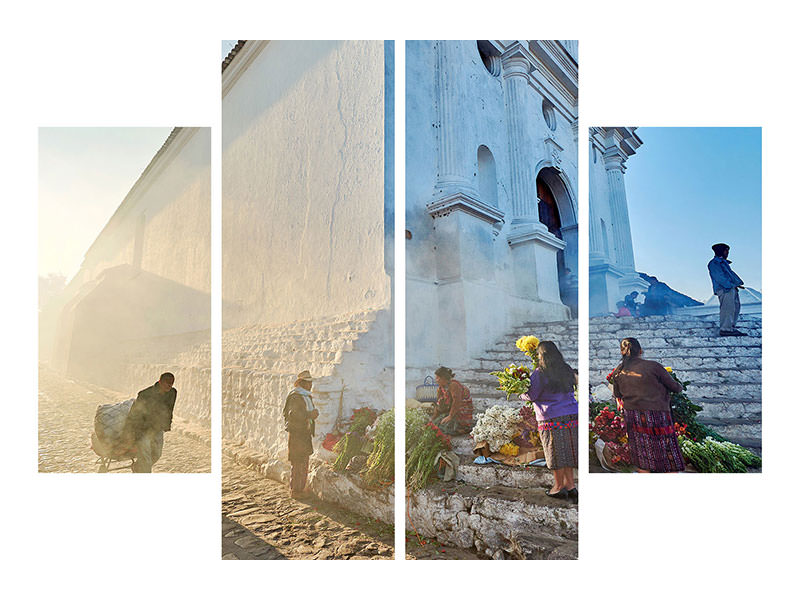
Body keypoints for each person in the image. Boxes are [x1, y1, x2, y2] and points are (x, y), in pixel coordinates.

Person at [609, 338, 685, 473]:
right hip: (657, 415)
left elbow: (617, 394)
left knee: (642, 454)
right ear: (640, 351)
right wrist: (680, 386)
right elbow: (675, 387)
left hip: (633, 416)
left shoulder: (618, 371)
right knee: (667, 453)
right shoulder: (653, 366)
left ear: (622, 352)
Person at [519, 341, 579, 501]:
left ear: (542, 356)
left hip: (552, 417)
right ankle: (571, 485)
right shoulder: (566, 369)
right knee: (568, 450)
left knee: (555, 452)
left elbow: (532, 395)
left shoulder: (540, 373)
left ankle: (558, 487)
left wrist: (521, 392)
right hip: (572, 415)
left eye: (538, 354)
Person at [123, 372, 177, 473]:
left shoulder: (172, 393)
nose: (169, 385)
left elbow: (170, 408)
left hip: (157, 428)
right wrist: (129, 433)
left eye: (172, 383)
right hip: (142, 430)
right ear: (160, 381)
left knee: (156, 454)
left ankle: (138, 467)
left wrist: (166, 424)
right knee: (146, 459)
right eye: (167, 383)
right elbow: (134, 413)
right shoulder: (145, 394)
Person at [282, 370, 319, 498]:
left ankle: (300, 489)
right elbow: (294, 414)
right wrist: (310, 414)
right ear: (302, 383)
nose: (311, 385)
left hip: (303, 433)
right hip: (298, 434)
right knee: (298, 462)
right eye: (308, 383)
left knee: (303, 461)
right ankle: (296, 491)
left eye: (311, 382)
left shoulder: (305, 396)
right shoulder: (296, 397)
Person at [708, 243, 746, 336]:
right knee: (727, 308)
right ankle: (725, 329)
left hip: (731, 288)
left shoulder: (723, 263)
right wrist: (730, 285)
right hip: (724, 289)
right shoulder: (714, 263)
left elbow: (730, 275)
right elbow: (719, 277)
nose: (727, 253)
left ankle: (731, 327)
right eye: (726, 250)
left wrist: (737, 284)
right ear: (721, 251)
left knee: (735, 307)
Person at [432, 367, 473, 435]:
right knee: (435, 424)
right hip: (452, 411)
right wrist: (432, 419)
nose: (436, 380)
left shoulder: (454, 385)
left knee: (445, 427)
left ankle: (463, 429)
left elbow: (456, 402)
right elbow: (439, 406)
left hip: (461, 413)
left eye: (437, 378)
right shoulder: (440, 389)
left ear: (443, 378)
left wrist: (450, 416)